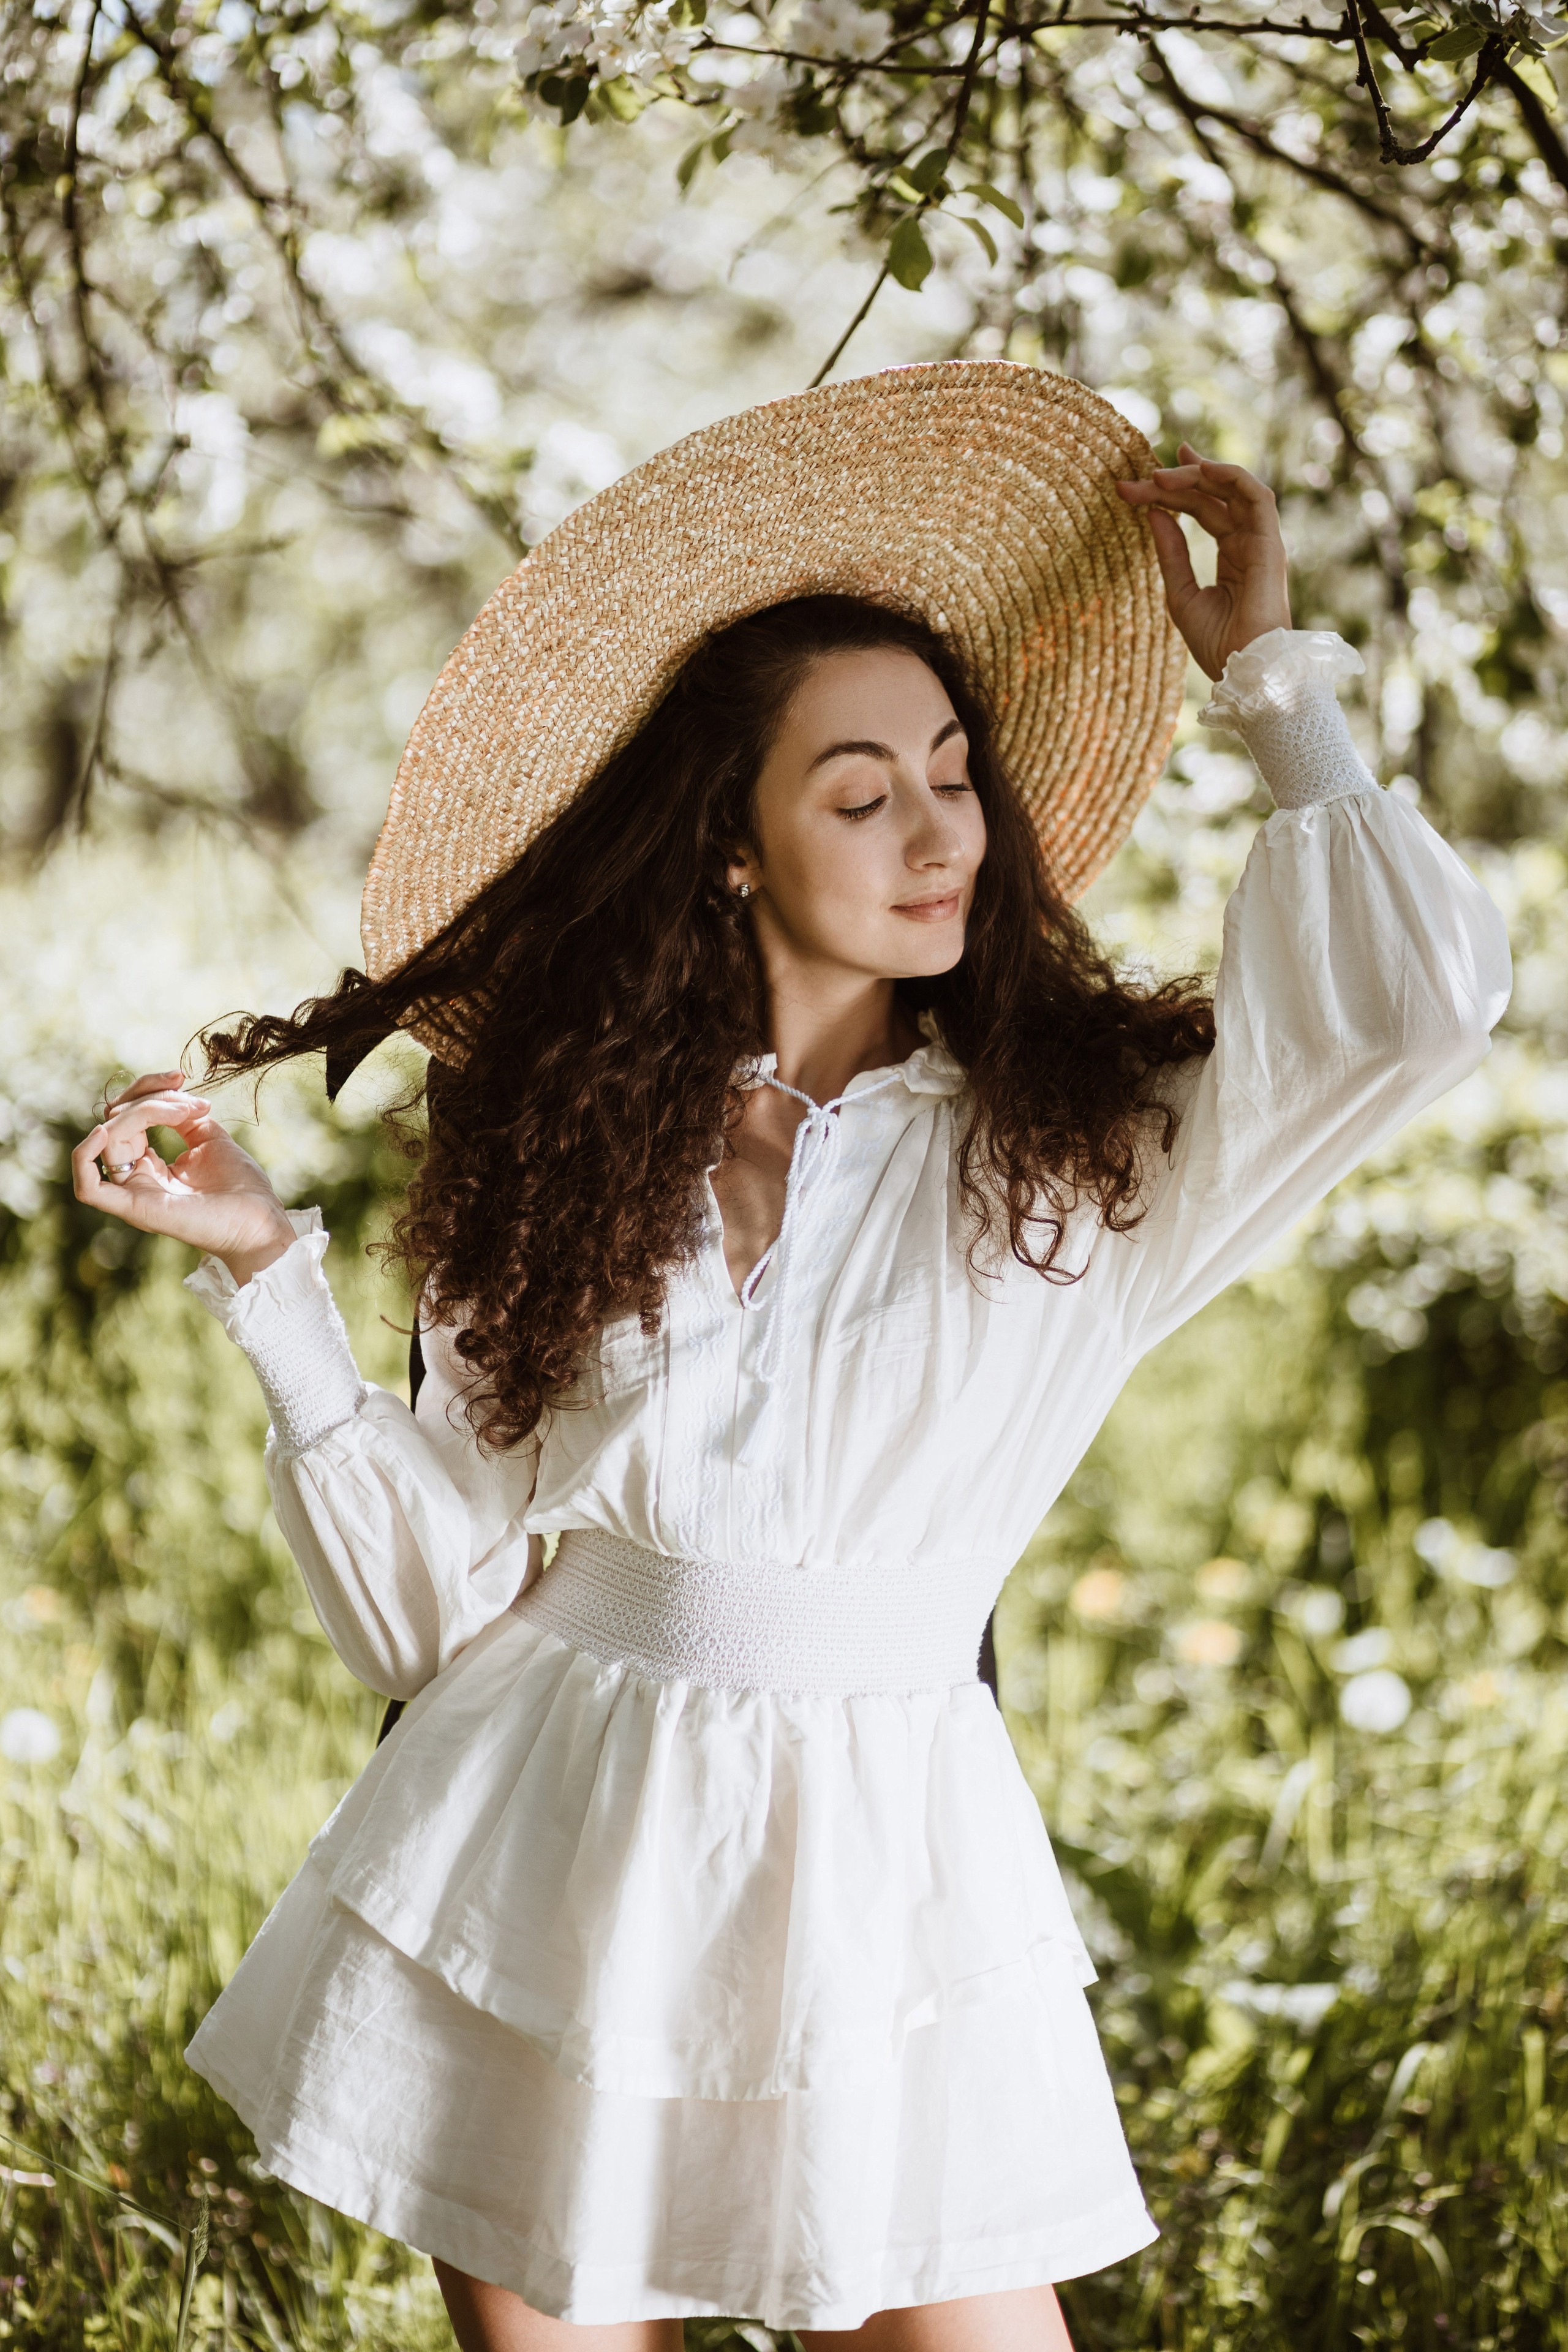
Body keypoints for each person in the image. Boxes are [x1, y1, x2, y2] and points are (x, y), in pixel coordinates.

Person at [74, 364, 1510, 2352]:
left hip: (895, 1875)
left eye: (951, 771)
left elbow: (1415, 1014)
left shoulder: (1084, 1137)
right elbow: (435, 1617)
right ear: (731, 847)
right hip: (545, 1850)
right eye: (859, 791)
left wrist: (1275, 680)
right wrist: (270, 1284)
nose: (939, 832)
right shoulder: (561, 1151)